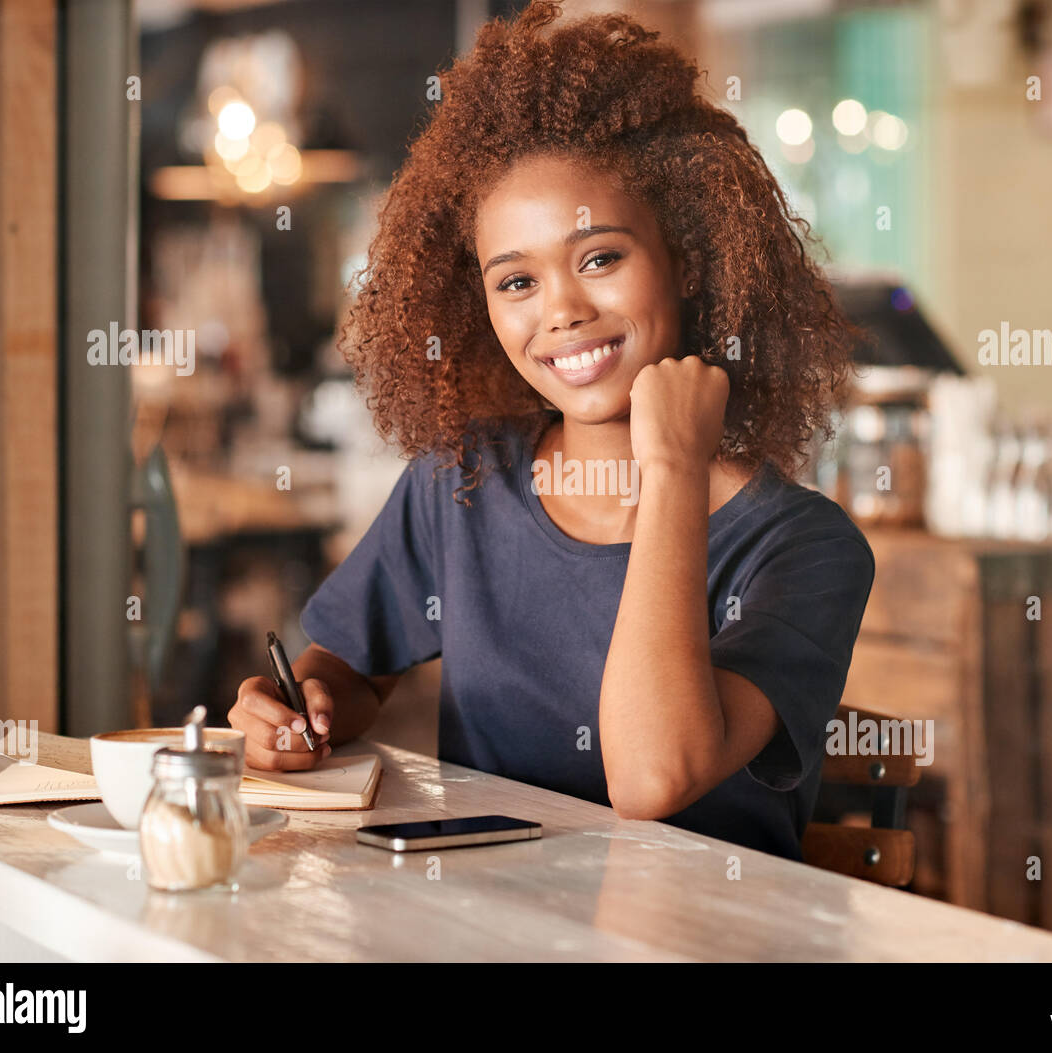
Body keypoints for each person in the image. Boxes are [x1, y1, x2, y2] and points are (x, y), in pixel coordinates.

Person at [228, 1, 874, 862]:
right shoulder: (462, 482)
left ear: (684, 258)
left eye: (600, 257)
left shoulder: (803, 547)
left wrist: (674, 468)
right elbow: (344, 672)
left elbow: (650, 779)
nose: (563, 311)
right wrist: (293, 711)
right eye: (516, 282)